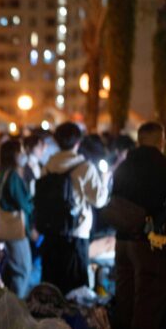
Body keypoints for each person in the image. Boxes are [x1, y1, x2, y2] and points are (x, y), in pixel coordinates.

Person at [106, 122, 166, 329]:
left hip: (122, 241)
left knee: (125, 294)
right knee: (148, 298)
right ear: (161, 140)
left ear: (139, 140)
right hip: (149, 242)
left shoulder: (123, 166)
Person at [35, 122, 109, 295]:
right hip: (75, 236)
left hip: (51, 234)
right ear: (78, 143)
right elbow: (99, 200)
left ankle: (50, 320)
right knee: (75, 290)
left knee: (52, 288)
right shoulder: (84, 167)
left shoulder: (47, 167)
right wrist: (104, 180)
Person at [0, 138, 35, 297]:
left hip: (7, 229)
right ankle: (17, 309)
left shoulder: (3, 173)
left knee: (15, 269)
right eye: (21, 151)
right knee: (23, 269)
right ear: (14, 155)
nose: (24, 155)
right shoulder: (13, 176)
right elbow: (24, 204)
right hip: (15, 230)